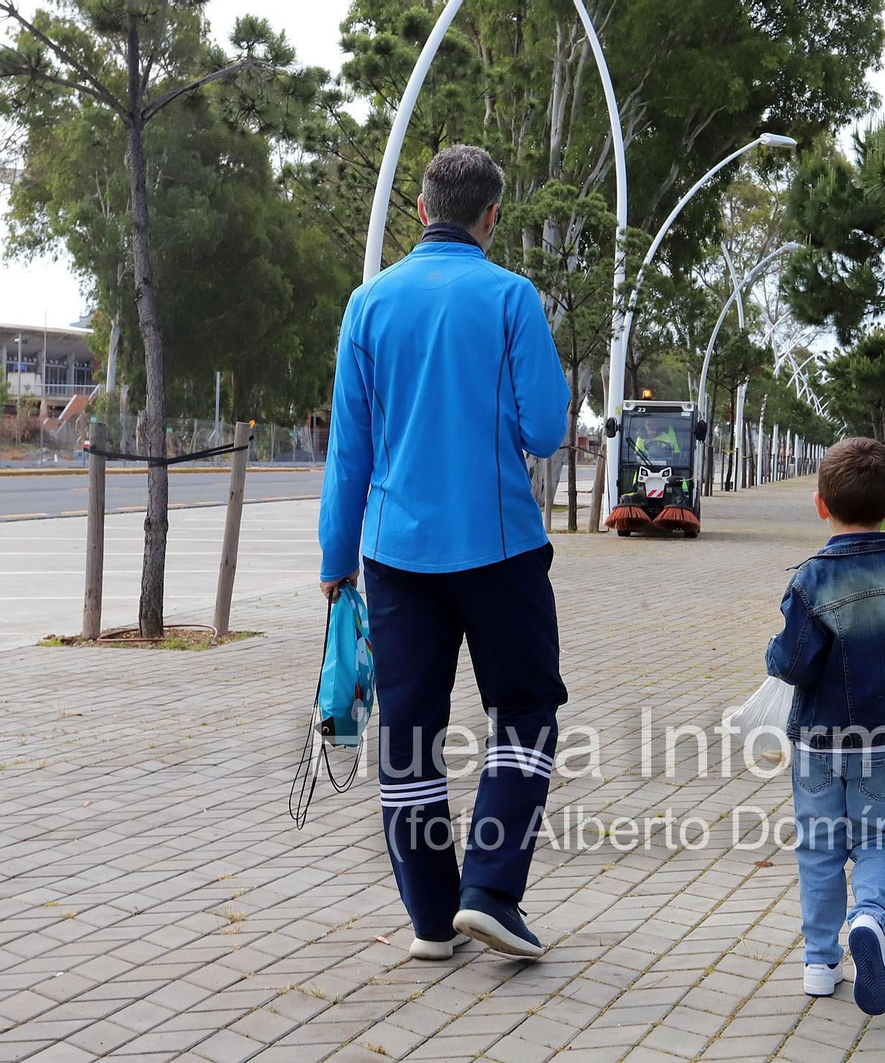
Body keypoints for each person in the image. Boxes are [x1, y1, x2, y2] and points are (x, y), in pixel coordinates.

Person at [318, 144, 571, 962]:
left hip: (395, 555)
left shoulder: (367, 304)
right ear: (491, 217)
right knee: (524, 711)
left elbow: (348, 451)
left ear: (422, 210)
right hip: (500, 548)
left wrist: (335, 561)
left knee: (409, 730)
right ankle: (490, 889)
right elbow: (546, 429)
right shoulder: (511, 296)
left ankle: (431, 917)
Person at [764, 436, 885, 1016]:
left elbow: (792, 663)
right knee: (880, 838)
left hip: (818, 739)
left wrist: (771, 653)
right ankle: (870, 917)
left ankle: (820, 962)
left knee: (819, 846)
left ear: (820, 505)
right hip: (884, 736)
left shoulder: (811, 580)